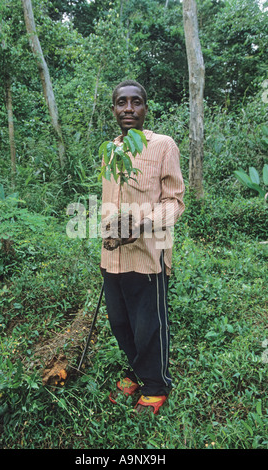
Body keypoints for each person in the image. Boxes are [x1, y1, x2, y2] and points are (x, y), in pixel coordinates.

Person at [100, 80, 185, 415]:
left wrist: (139, 225)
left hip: (149, 254)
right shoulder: (111, 150)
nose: (129, 109)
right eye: (122, 103)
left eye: (136, 102)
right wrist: (109, 232)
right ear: (114, 109)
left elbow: (174, 203)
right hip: (113, 255)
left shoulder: (163, 146)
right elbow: (110, 201)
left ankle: (155, 384)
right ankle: (137, 373)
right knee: (120, 323)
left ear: (145, 107)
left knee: (149, 324)